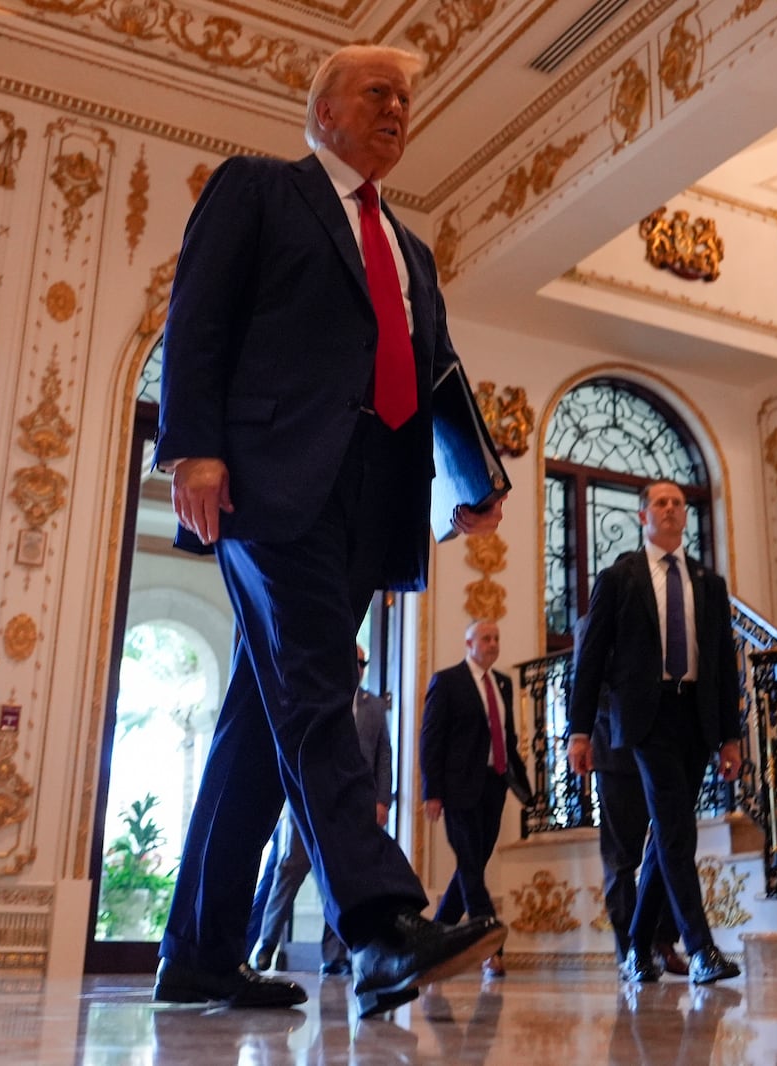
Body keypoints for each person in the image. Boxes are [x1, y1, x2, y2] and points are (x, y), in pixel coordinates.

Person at [151, 42, 507, 1018]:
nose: (397, 107)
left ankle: (198, 954)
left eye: (405, 98)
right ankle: (381, 923)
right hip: (266, 481)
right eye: (376, 92)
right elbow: (199, 315)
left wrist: (471, 482)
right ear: (323, 114)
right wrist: (192, 446)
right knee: (318, 680)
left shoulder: (412, 250)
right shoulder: (262, 189)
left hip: (372, 498)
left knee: (260, 729)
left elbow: (434, 374)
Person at [567, 480, 743, 985]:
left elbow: (722, 665)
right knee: (675, 830)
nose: (669, 510)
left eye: (677, 504)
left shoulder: (708, 583)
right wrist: (579, 732)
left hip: (697, 717)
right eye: (660, 503)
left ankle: (638, 947)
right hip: (647, 718)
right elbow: (591, 660)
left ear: (685, 517)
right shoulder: (619, 577)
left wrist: (730, 736)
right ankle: (701, 947)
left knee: (669, 832)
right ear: (643, 516)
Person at [250, 647, 393, 976]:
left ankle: (334, 956)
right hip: (306, 802)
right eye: (352, 661)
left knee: (340, 879)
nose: (357, 668)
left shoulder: (374, 707)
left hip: (351, 807)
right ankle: (266, 945)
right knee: (289, 872)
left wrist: (382, 800)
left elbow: (383, 756)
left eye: (362, 663)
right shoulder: (319, 697)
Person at [419, 620, 530, 978]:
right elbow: (430, 739)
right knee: (469, 864)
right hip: (458, 788)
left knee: (472, 865)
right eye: (486, 638)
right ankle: (490, 949)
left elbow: (507, 737)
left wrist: (522, 784)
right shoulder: (447, 681)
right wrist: (432, 792)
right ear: (469, 642)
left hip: (493, 785)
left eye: (496, 638)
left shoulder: (503, 683)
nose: (493, 644)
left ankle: (434, 942)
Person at [591, 714, 686, 978]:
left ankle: (663, 940)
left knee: (669, 850)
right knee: (620, 860)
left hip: (666, 750)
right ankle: (631, 952)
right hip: (616, 752)